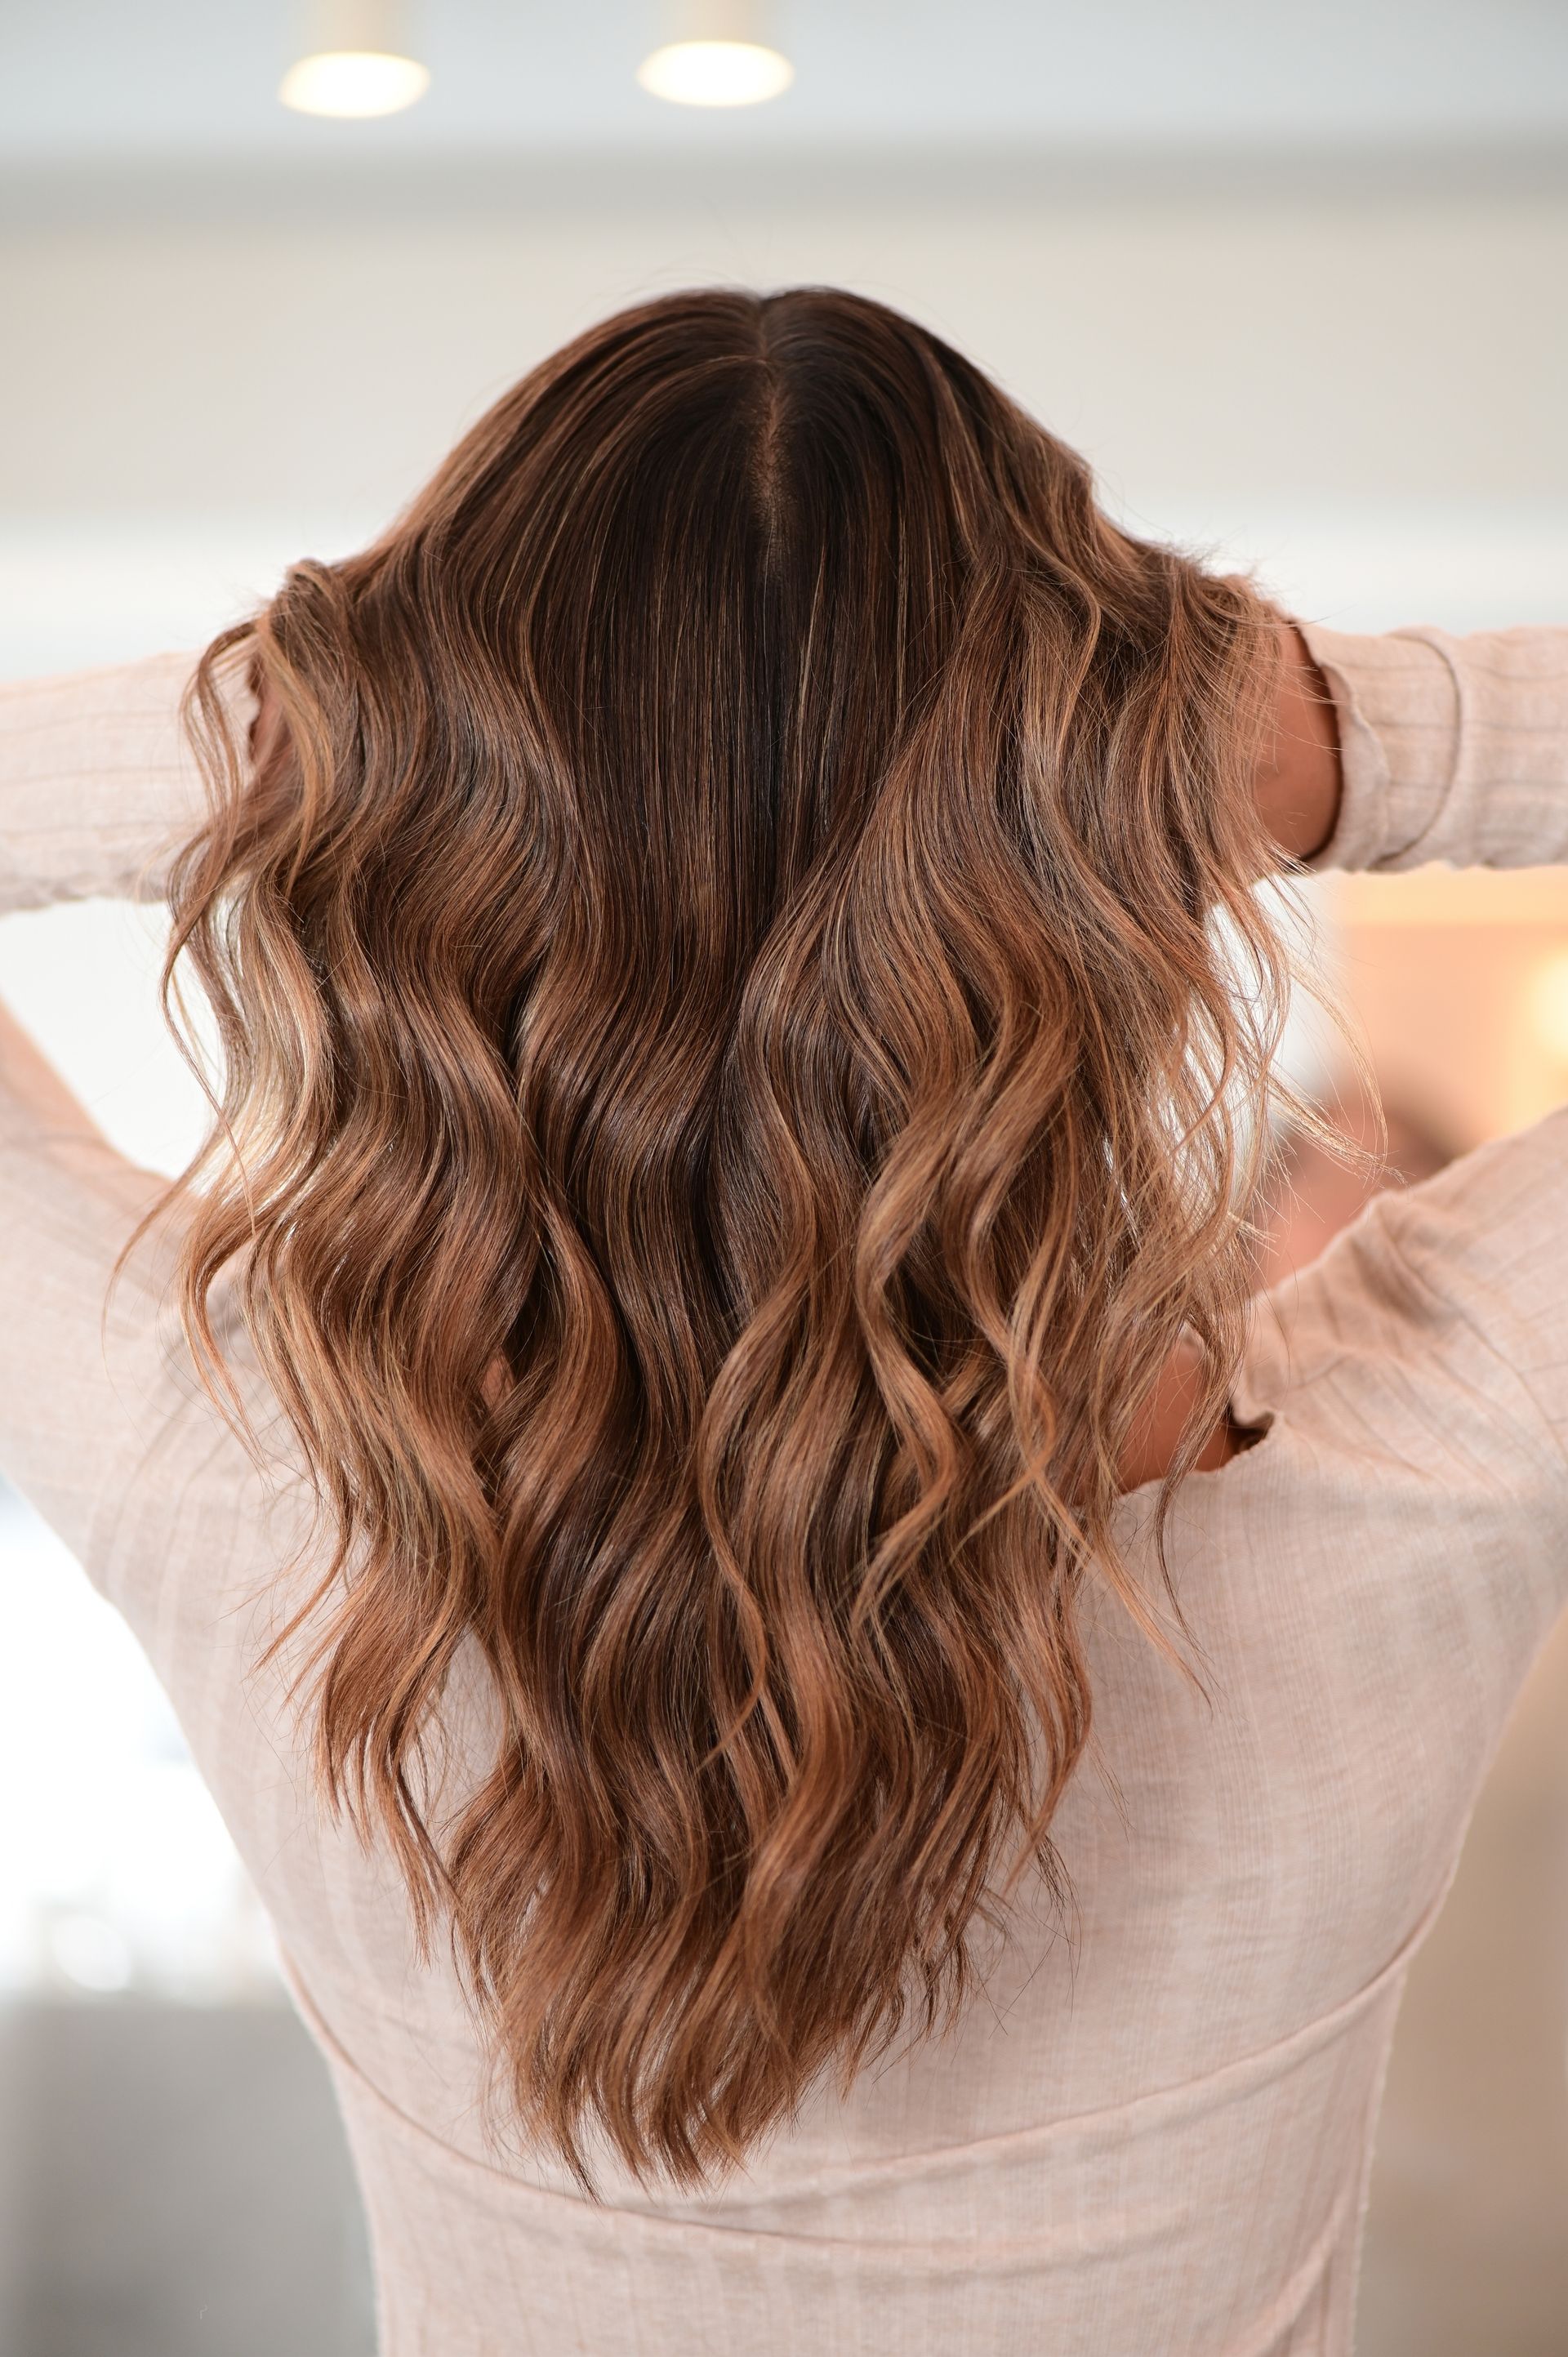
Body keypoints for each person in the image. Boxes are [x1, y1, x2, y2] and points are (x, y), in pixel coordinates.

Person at [0, 285, 1563, 2357]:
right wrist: (1343, 742)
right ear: (1109, 862)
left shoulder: (256, 1497)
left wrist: (291, 739)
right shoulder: (1428, 1470)